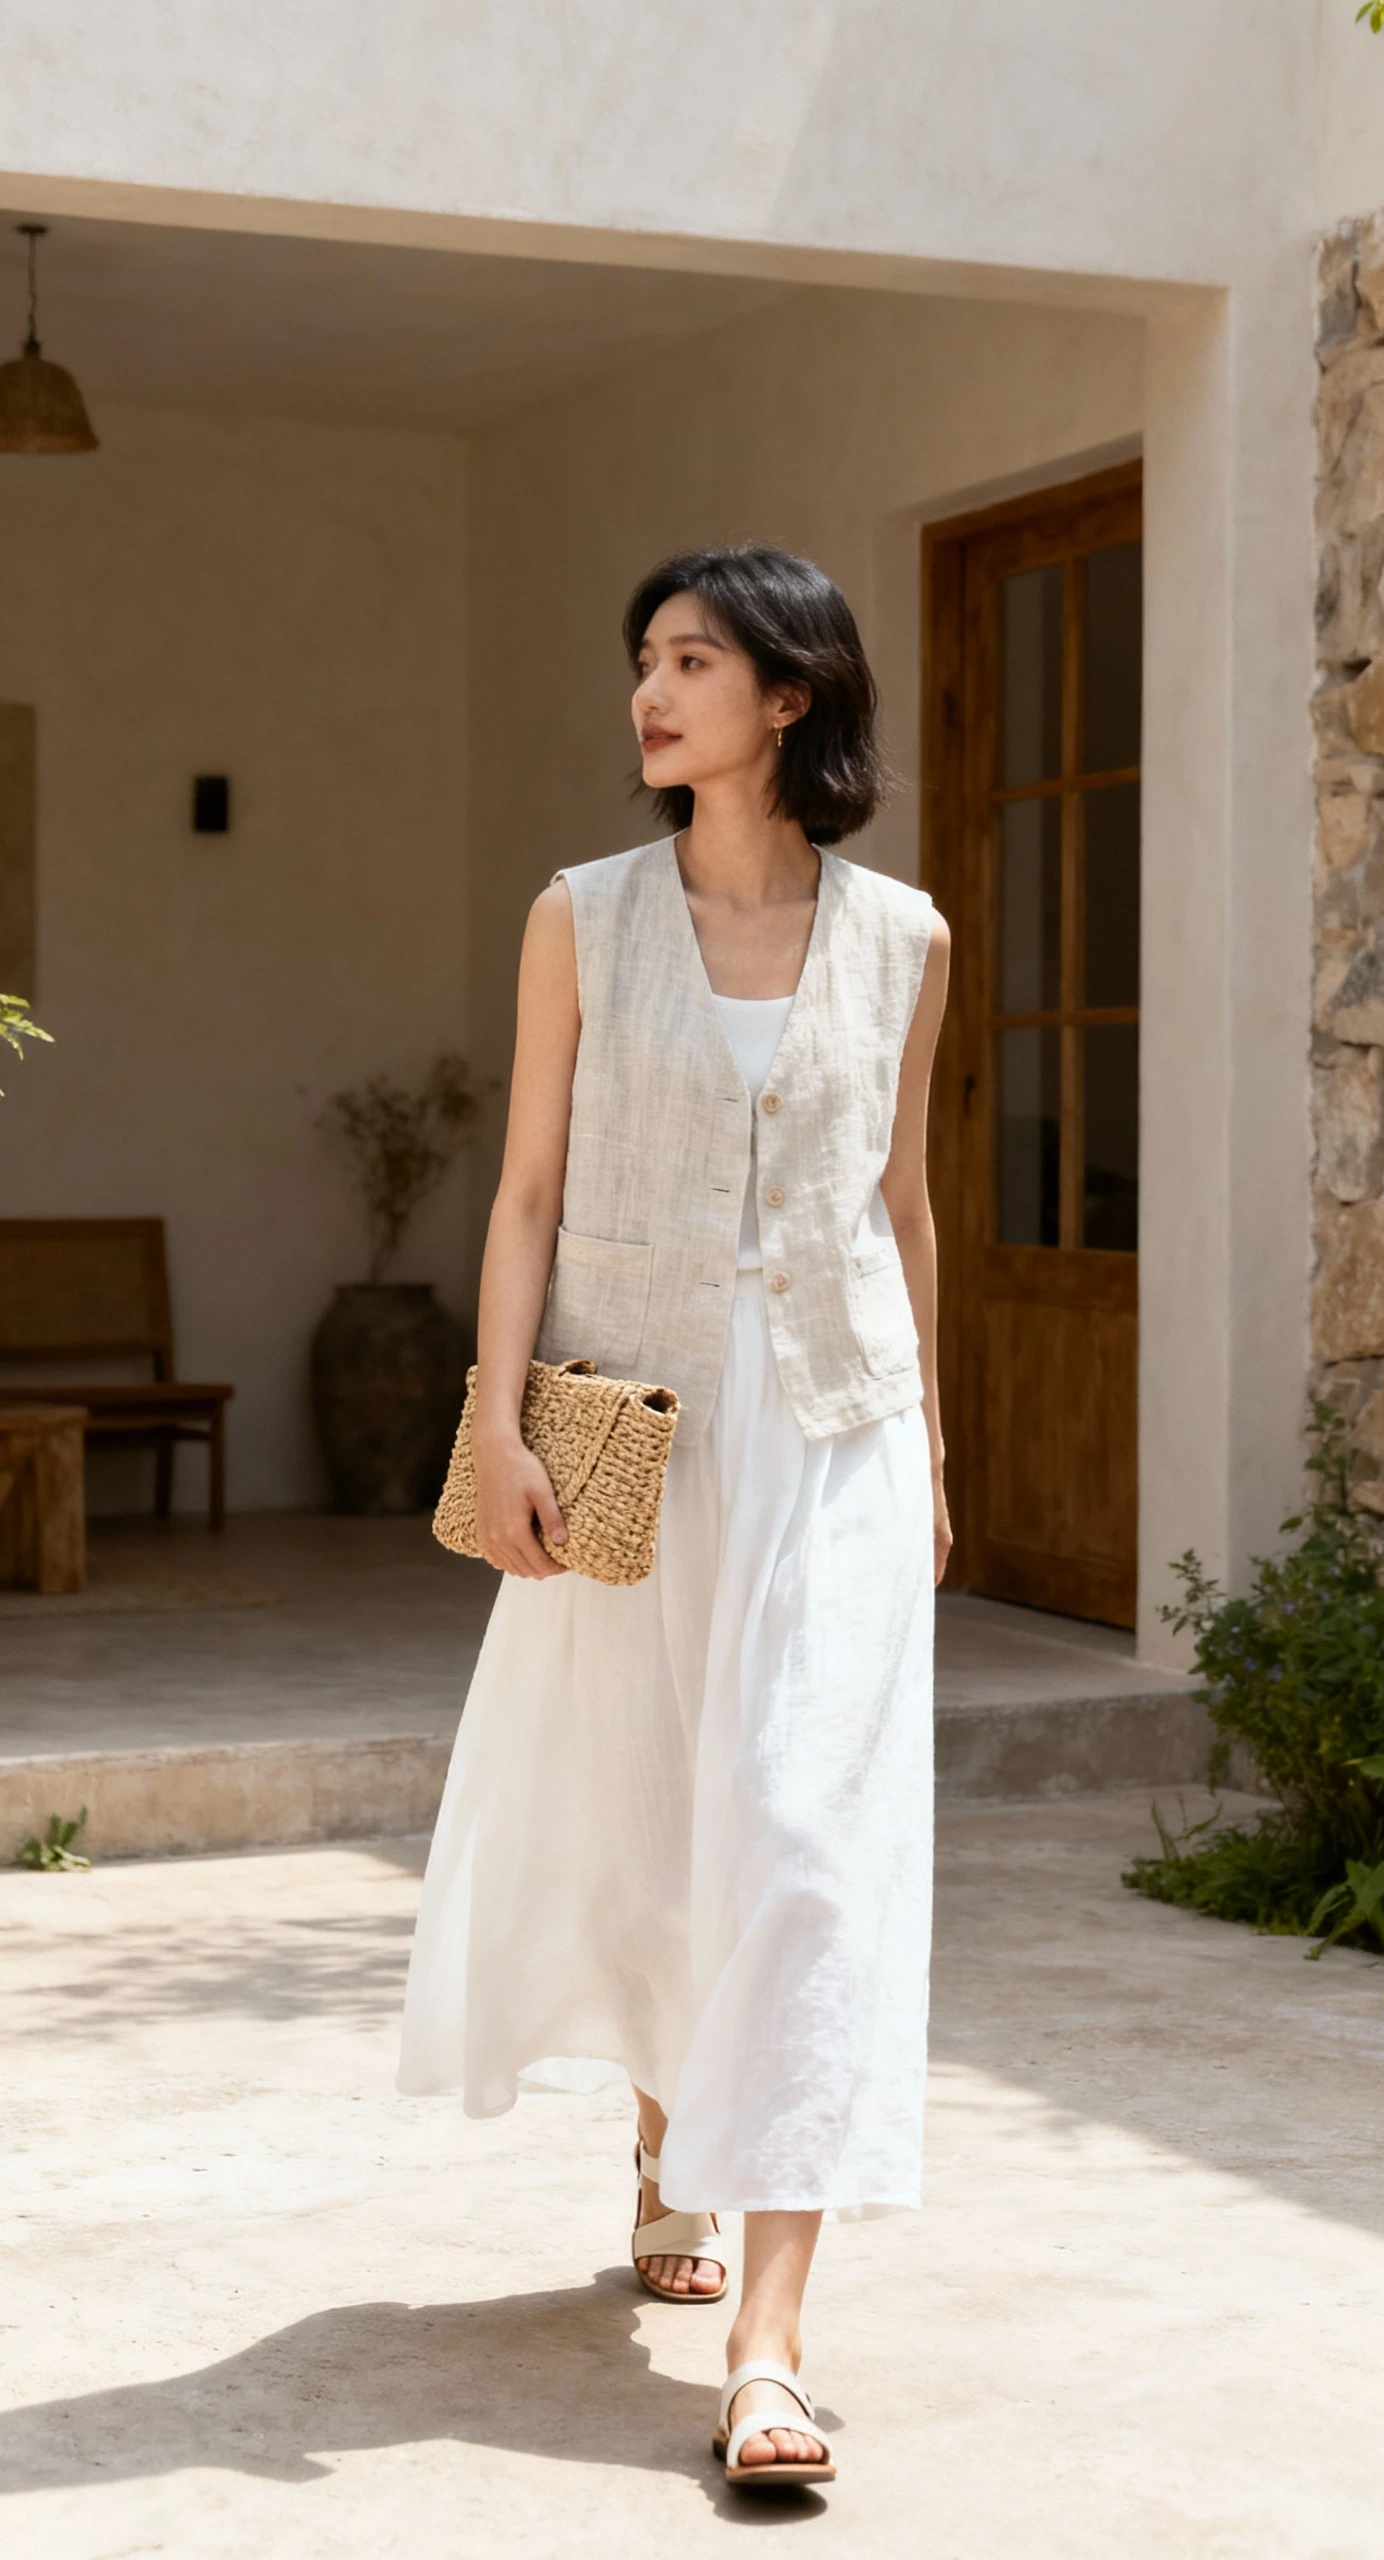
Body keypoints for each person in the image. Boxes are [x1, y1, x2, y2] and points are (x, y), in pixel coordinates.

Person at [399, 542, 951, 2492]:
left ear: (790, 696)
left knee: (806, 1845)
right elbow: (529, 1192)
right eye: (645, 657)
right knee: (656, 1827)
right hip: (637, 1434)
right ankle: (663, 2134)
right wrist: (495, 1422)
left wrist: (936, 1449)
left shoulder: (905, 937)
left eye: (694, 659)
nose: (651, 690)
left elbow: (902, 1206)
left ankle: (768, 2347)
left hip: (839, 1434)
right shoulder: (581, 917)